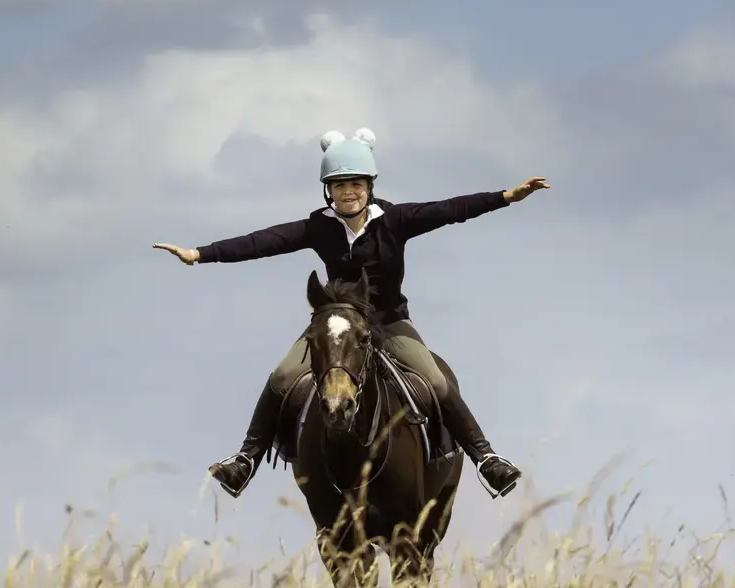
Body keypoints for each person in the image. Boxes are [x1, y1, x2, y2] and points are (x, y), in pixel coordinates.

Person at [154, 128, 549, 499]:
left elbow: (450, 210)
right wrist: (200, 254)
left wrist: (506, 196)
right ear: (329, 190)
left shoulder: (395, 220)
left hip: (390, 322)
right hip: (336, 325)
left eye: (356, 184)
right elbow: (262, 241)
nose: (349, 192)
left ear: (369, 187)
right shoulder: (319, 227)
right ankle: (245, 461)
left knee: (433, 378)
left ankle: (486, 458)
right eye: (340, 185)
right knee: (282, 376)